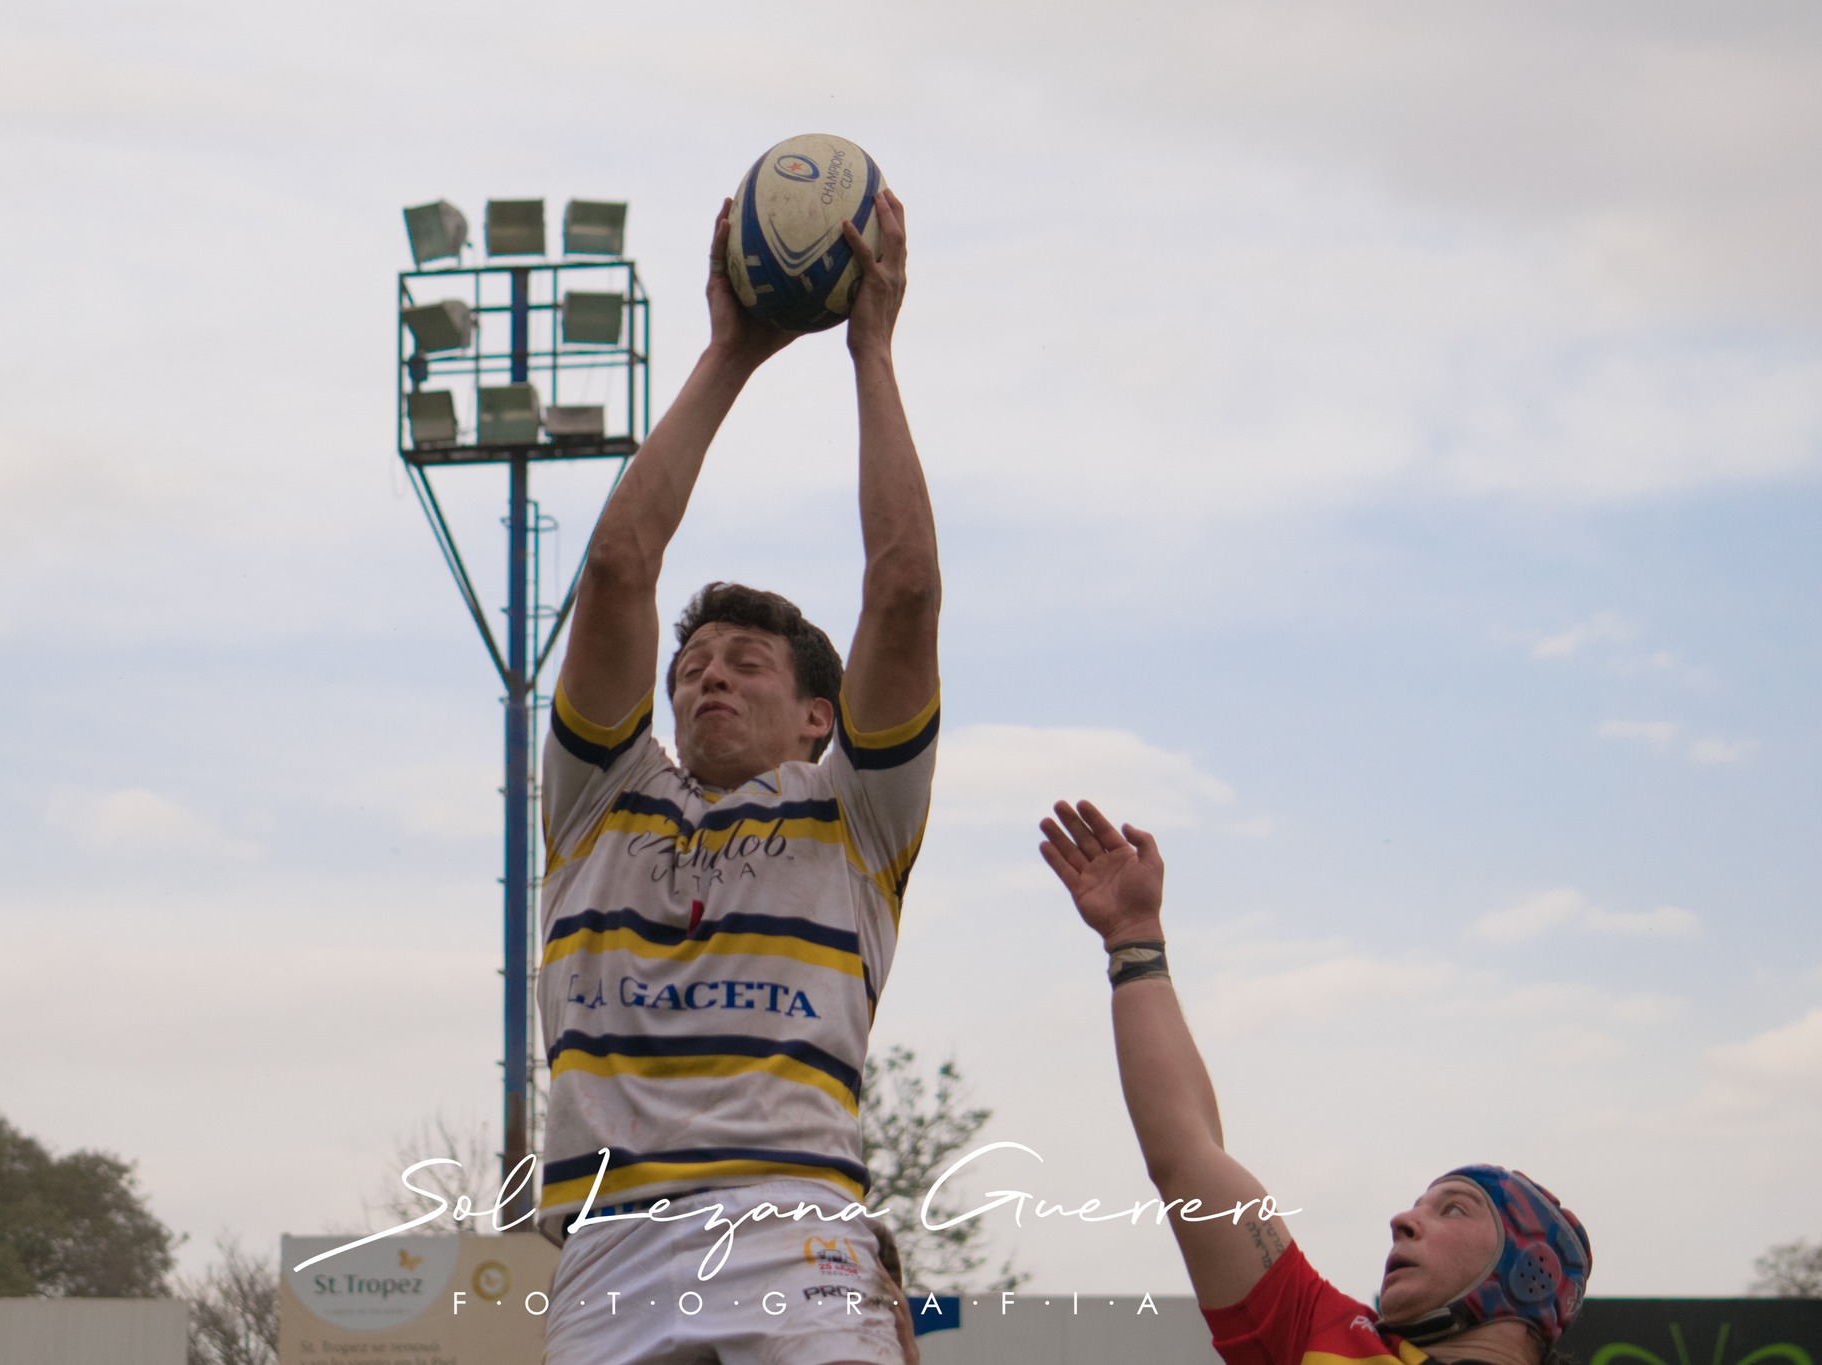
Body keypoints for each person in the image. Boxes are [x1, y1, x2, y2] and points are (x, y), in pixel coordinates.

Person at [537, 186, 938, 1365]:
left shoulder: (854, 816)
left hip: (790, 1227)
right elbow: (617, 567)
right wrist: (728, 355)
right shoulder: (601, 803)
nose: (706, 680)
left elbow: (902, 587)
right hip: (607, 1246)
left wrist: (871, 353)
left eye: (744, 665)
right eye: (693, 666)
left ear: (819, 715)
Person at [1038, 800, 1593, 1365]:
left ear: (1532, 1274)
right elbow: (1187, 1154)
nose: (1403, 1222)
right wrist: (1134, 942)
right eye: (1422, 1206)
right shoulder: (1323, 1339)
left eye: (1453, 1209)